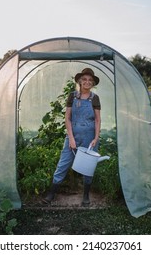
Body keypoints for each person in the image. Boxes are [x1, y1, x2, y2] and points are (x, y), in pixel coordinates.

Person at [43, 68, 101, 206]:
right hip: (73, 136)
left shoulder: (95, 98)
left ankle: (86, 195)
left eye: (90, 80)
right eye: (85, 79)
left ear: (92, 83)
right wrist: (71, 138)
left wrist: (96, 138)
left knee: (88, 167)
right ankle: (52, 194)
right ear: (80, 81)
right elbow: (67, 118)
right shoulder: (72, 96)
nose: (87, 82)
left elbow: (98, 120)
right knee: (63, 163)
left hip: (89, 137)